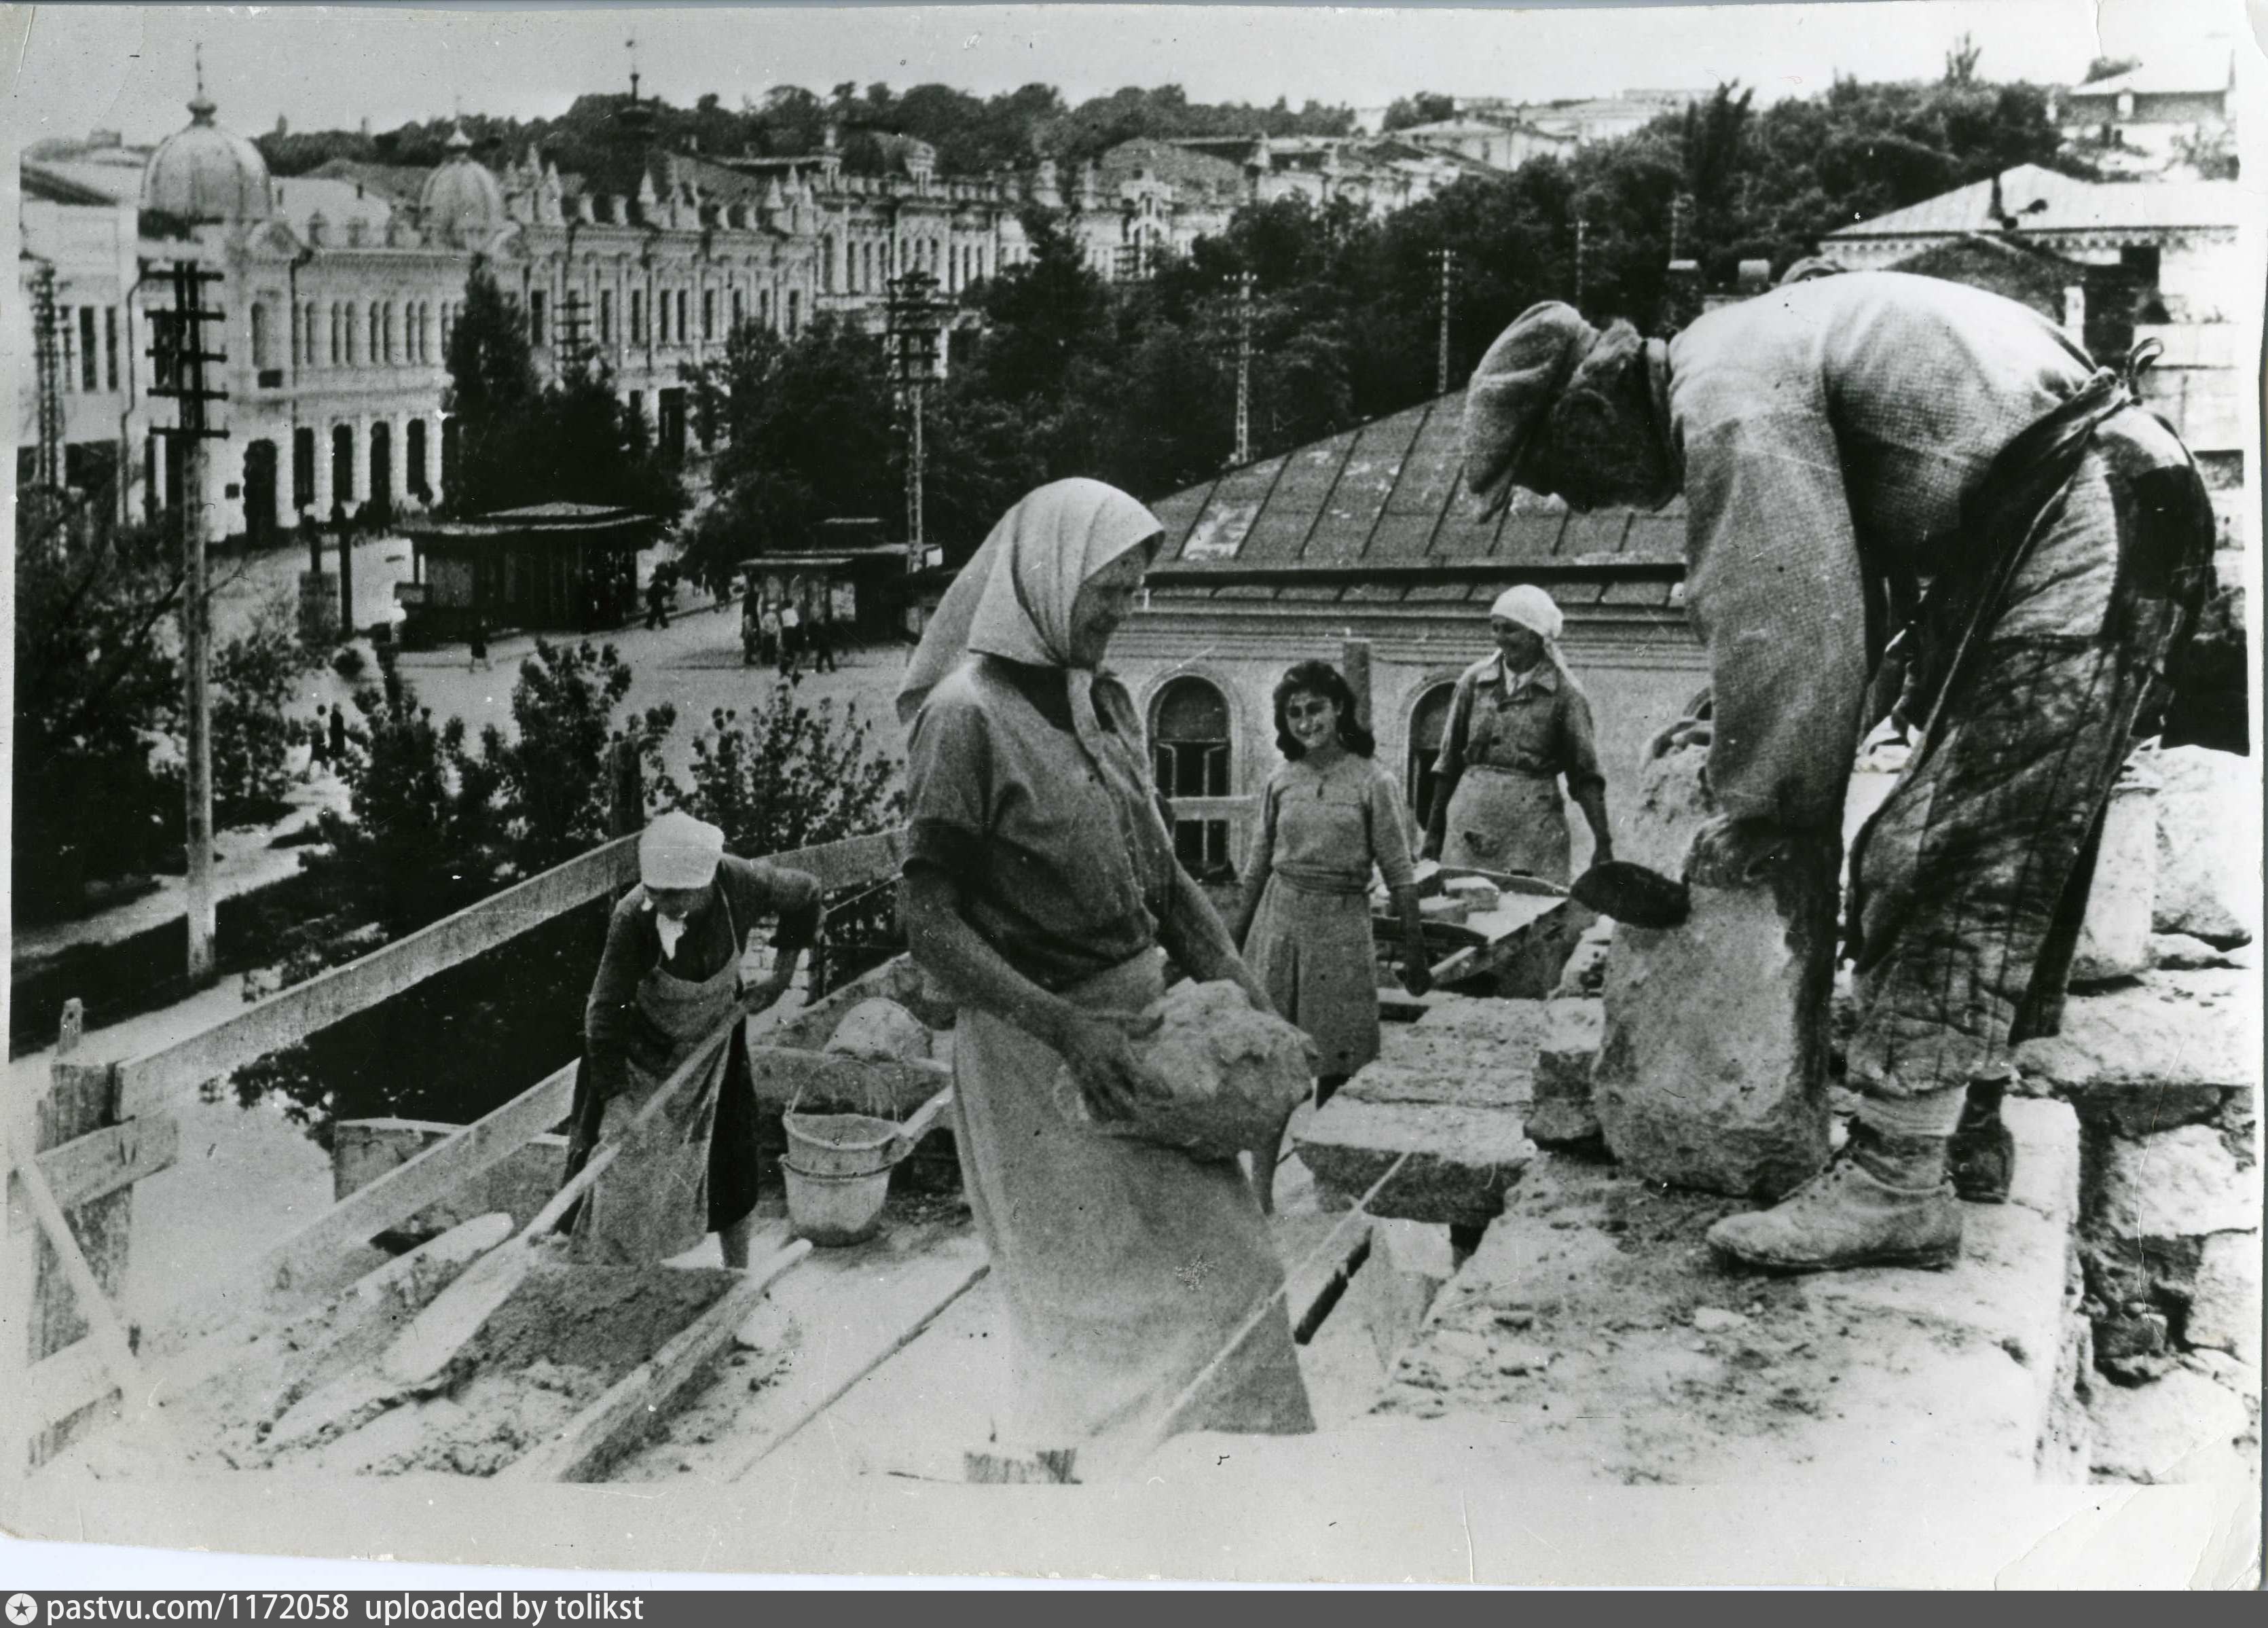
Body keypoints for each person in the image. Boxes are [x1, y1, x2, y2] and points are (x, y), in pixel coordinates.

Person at [1459, 273, 2212, 1272]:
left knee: (1938, 839)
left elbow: (1791, 622)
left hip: (2085, 512)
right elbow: (1844, 602)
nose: (1574, 503)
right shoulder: (1744, 349)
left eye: (1556, 473)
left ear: (1591, 409)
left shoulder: (1725, 396)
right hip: (2082, 501)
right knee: (2003, 822)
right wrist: (1736, 728)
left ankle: (1900, 1183)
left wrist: (1756, 810)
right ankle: (1962, 1123)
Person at [897, 477, 1315, 1473]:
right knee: (1092, 1307)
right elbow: (926, 917)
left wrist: (1255, 1010)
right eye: (1106, 588)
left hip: (1148, 1032)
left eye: (1135, 588)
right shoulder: (967, 719)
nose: (1124, 609)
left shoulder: (1106, 702)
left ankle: (1220, 1513)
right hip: (1035, 1057)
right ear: (1045, 579)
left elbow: (1169, 886)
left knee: (1234, 1264)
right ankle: (1089, 1529)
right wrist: (1066, 1028)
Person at [568, 810, 822, 1269]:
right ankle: (605, 1278)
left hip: (716, 1037)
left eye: (676, 893)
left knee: (732, 1156)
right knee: (617, 1165)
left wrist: (783, 976)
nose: (662, 902)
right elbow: (603, 1013)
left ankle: (737, 1276)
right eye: (655, 890)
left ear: (706, 881)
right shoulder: (633, 918)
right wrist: (617, 1096)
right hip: (641, 1053)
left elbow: (805, 894)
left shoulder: (741, 883)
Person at [1233, 660, 1431, 1211]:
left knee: (1337, 1065)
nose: (1306, 721)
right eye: (1294, 712)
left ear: (1338, 707)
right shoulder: (1281, 779)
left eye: (1315, 708)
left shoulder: (1374, 780)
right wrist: (1229, 950)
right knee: (1275, 1065)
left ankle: (1331, 1188)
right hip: (1280, 923)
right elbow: (1255, 869)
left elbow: (1400, 872)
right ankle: (1262, 1191)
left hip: (1342, 928)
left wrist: (1415, 956)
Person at [1421, 585, 1613, 883]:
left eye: (1510, 630)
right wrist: (1434, 833)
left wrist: (1604, 842)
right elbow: (1448, 764)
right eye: (1495, 628)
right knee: (1465, 906)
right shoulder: (1474, 682)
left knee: (1531, 910)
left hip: (1532, 830)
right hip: (1470, 822)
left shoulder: (1565, 694)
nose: (1500, 638)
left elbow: (1585, 775)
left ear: (1536, 635)